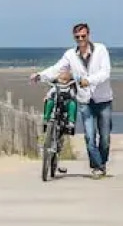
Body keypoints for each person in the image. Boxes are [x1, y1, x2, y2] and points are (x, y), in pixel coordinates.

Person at [32, 22, 114, 178]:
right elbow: (57, 69)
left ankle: (102, 163)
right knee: (90, 136)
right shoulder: (70, 54)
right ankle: (96, 167)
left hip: (103, 100)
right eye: (77, 37)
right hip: (85, 100)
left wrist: (88, 80)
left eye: (83, 36)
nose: (81, 39)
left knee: (105, 138)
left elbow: (105, 72)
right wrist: (40, 75)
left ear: (88, 35)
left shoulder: (101, 50)